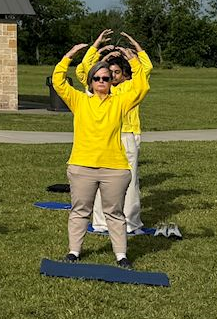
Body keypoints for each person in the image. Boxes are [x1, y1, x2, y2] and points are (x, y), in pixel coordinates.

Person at [51, 36, 150, 267]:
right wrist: (69, 56)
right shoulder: (79, 101)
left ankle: (121, 255)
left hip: (114, 168)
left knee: (115, 213)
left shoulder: (120, 102)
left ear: (111, 81)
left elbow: (142, 87)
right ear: (90, 82)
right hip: (82, 166)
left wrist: (133, 61)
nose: (102, 81)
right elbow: (58, 81)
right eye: (97, 78)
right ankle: (74, 252)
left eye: (106, 78)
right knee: (80, 211)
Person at [75, 31, 152, 236]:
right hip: (107, 139)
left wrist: (134, 53)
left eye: (116, 72)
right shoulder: (101, 90)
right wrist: (98, 49)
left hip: (127, 137)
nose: (111, 76)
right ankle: (101, 223)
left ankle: (130, 222)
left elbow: (146, 70)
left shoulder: (129, 88)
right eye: (108, 73)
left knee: (130, 182)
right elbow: (84, 70)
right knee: (101, 180)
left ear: (124, 74)